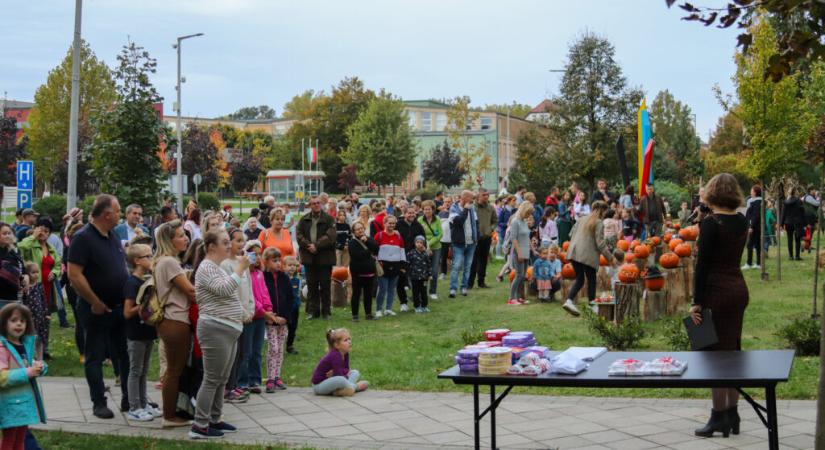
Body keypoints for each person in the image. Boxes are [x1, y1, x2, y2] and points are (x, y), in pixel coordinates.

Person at [688, 173, 749, 439]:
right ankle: (733, 413)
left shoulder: (712, 224)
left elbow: (702, 267)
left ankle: (718, 416)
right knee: (733, 350)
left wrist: (697, 302)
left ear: (712, 193)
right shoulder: (742, 221)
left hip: (715, 291)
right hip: (737, 288)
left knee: (714, 355)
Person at [67, 195, 130, 419]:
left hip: (118, 306)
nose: (120, 215)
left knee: (123, 354)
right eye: (119, 211)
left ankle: (128, 397)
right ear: (106, 214)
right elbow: (74, 274)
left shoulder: (112, 236)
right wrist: (94, 301)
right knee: (94, 355)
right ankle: (98, 402)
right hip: (95, 308)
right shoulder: (83, 238)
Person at [189, 229, 249, 440]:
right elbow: (223, 290)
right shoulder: (206, 268)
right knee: (212, 378)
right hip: (215, 328)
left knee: (222, 379)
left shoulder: (217, 267)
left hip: (228, 329)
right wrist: (240, 269)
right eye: (224, 242)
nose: (229, 246)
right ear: (212, 246)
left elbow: (230, 294)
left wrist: (241, 312)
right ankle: (200, 425)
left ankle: (215, 419)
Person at [152, 220, 196, 427]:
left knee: (173, 369)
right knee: (174, 370)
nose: (185, 238)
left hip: (171, 320)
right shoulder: (168, 262)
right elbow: (190, 291)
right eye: (180, 235)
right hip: (176, 319)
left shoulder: (164, 261)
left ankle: (172, 412)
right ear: (169, 241)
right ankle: (169, 416)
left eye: (185, 234)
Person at [121, 244, 161, 422]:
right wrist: (144, 305)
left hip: (148, 332)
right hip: (136, 333)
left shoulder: (146, 280)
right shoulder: (132, 283)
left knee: (144, 371)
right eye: (147, 256)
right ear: (137, 261)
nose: (151, 259)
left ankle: (144, 404)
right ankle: (134, 407)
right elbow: (127, 312)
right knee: (135, 370)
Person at [0, 303, 47, 450]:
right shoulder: (2, 348)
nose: (19, 324)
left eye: (23, 320)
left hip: (23, 403)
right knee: (9, 440)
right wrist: (28, 372)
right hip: (9, 404)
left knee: (21, 440)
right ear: (3, 323)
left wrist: (40, 367)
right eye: (13, 320)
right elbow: (2, 377)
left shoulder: (23, 344)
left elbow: (26, 364)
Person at [564, 201, 617, 316]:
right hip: (587, 255)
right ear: (602, 211)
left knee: (580, 279)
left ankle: (569, 301)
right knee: (591, 280)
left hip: (574, 252)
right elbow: (600, 244)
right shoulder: (598, 223)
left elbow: (570, 234)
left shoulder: (581, 219)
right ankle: (592, 305)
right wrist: (610, 258)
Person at [220, 228, 254, 405]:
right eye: (238, 240)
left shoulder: (243, 262)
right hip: (233, 315)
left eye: (243, 241)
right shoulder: (225, 264)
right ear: (229, 242)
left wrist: (250, 309)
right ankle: (228, 387)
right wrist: (241, 312)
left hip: (246, 316)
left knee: (243, 352)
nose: (242, 244)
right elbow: (230, 292)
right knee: (232, 354)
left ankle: (236, 384)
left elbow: (248, 288)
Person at [239, 240, 273, 394]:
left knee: (257, 350)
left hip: (261, 317)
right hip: (250, 316)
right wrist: (263, 311)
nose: (258, 257)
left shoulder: (259, 274)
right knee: (246, 351)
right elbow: (250, 296)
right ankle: (243, 381)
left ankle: (255, 380)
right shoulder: (245, 274)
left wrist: (269, 309)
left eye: (260, 254)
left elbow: (264, 293)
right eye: (254, 254)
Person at [17, 217, 62, 335]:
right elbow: (20, 248)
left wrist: (55, 272)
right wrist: (33, 237)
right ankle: (31, 346)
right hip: (34, 287)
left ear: (50, 234)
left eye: (46, 231)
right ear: (36, 230)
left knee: (45, 317)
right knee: (33, 318)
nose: (43, 233)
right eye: (41, 230)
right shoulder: (30, 243)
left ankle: (44, 348)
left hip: (48, 287)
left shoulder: (50, 248)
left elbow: (58, 264)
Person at [296, 196, 337, 320]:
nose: (316, 205)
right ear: (309, 205)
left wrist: (317, 245)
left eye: (318, 203)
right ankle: (313, 312)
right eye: (313, 203)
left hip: (324, 257)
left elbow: (330, 236)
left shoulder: (329, 219)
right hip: (309, 257)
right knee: (311, 285)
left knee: (325, 285)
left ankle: (326, 312)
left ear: (322, 204)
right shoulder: (303, 220)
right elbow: (299, 236)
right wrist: (309, 245)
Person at [261, 248, 291, 393]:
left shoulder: (284, 278)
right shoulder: (263, 277)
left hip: (282, 321)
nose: (278, 263)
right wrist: (271, 317)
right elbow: (263, 297)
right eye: (274, 261)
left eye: (279, 260)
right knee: (273, 348)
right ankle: (270, 378)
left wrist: (285, 317)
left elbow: (290, 298)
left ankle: (277, 376)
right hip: (271, 320)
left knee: (280, 349)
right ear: (266, 261)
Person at [310, 328, 368, 396]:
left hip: (333, 380)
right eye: (345, 340)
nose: (349, 341)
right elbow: (339, 375)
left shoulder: (345, 353)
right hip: (319, 386)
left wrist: (338, 373)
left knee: (355, 372)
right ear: (337, 345)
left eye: (349, 339)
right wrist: (341, 373)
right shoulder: (335, 355)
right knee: (340, 379)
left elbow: (346, 369)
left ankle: (342, 391)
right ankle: (355, 387)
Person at [449, 191, 478, 298]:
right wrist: (466, 209)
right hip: (459, 243)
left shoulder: (472, 208)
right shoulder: (453, 209)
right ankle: (453, 289)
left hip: (471, 242)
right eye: (471, 198)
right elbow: (459, 222)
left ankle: (464, 287)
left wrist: (476, 238)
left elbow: (475, 223)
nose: (472, 200)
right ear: (464, 198)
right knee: (456, 266)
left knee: (467, 267)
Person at [374, 215, 404, 318]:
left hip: (395, 266)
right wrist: (376, 263)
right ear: (385, 223)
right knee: (382, 289)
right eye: (389, 223)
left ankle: (388, 309)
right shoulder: (379, 235)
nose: (391, 225)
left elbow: (402, 251)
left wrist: (402, 265)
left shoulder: (399, 236)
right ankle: (378, 309)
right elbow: (374, 251)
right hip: (383, 267)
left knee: (392, 289)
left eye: (393, 223)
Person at [395, 208, 425, 311]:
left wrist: (424, 248)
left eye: (413, 213)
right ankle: (403, 302)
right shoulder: (398, 225)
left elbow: (423, 238)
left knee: (416, 279)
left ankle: (418, 301)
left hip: (415, 256)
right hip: (401, 255)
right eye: (409, 213)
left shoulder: (418, 225)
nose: (411, 215)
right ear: (404, 214)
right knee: (401, 279)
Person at [348, 222, 378, 321]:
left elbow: (376, 249)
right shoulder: (352, 243)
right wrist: (370, 251)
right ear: (354, 232)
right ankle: (355, 315)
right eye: (357, 229)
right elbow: (359, 256)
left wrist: (368, 242)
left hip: (370, 272)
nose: (360, 230)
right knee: (356, 294)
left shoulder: (369, 239)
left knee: (368, 294)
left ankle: (368, 314)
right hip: (358, 273)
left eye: (361, 228)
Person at [468, 189, 497, 290]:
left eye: (487, 195)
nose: (486, 197)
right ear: (478, 196)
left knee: (484, 260)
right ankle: (469, 283)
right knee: (473, 261)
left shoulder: (491, 207)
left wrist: (491, 229)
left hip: (486, 238)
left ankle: (481, 282)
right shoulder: (472, 208)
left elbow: (495, 221)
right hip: (475, 238)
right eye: (484, 195)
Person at [21, 263, 48, 362]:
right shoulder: (25, 288)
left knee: (39, 338)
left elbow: (43, 300)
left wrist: (46, 314)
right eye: (33, 272)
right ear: (27, 274)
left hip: (39, 317)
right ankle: (30, 359)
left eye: (37, 272)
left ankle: (40, 360)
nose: (36, 275)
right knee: (30, 338)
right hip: (29, 317)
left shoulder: (39, 286)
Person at [507, 201, 533, 305]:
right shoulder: (515, 222)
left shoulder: (524, 221)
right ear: (523, 210)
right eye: (528, 213)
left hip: (526, 251)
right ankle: (511, 298)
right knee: (518, 275)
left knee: (523, 276)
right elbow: (513, 239)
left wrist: (533, 250)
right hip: (519, 252)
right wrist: (519, 253)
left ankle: (518, 297)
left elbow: (527, 237)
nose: (529, 215)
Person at [417, 201, 442, 300]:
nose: (427, 211)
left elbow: (440, 234)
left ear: (433, 209)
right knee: (423, 271)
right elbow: (419, 235)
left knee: (434, 271)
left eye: (429, 209)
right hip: (423, 248)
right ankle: (421, 291)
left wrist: (429, 244)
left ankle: (433, 291)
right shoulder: (419, 220)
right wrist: (425, 246)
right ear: (422, 210)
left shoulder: (437, 219)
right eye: (425, 209)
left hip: (436, 248)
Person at [0, 223, 25, 310]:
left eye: (9, 233)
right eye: (4, 233)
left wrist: (25, 276)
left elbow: (22, 267)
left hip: (14, 297)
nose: (7, 236)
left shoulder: (14, 251)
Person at [407, 236, 432, 313]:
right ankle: (417, 306)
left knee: (424, 292)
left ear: (423, 244)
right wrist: (408, 273)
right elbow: (407, 264)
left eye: (421, 243)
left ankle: (424, 306)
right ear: (415, 243)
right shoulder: (411, 253)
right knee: (415, 292)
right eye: (417, 242)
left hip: (424, 277)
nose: (419, 244)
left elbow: (429, 265)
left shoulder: (425, 254)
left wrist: (430, 275)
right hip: (414, 277)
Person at [283, 256, 302, 354]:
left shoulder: (297, 279)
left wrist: (298, 303)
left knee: (293, 327)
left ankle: (290, 345)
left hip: (295, 308)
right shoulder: (282, 279)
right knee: (283, 327)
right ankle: (281, 345)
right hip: (285, 308)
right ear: (284, 267)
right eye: (289, 265)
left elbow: (298, 293)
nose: (292, 268)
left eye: (294, 265)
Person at [780, 187, 805, 261]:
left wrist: (781, 224)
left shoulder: (786, 202)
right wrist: (805, 223)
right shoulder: (799, 201)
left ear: (789, 193)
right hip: (797, 222)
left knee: (789, 239)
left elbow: (783, 214)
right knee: (797, 239)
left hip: (788, 222)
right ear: (795, 193)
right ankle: (797, 256)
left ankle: (790, 256)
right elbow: (802, 212)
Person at [743, 185, 763, 270]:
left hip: (755, 227)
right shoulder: (754, 202)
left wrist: (751, 226)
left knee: (750, 245)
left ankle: (749, 263)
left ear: (755, 192)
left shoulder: (757, 202)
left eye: (751, 191)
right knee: (757, 245)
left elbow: (755, 216)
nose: (750, 192)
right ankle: (758, 263)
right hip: (756, 226)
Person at [438, 196, 453, 280]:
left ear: (452, 203)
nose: (447, 203)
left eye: (449, 202)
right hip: (443, 239)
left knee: (455, 257)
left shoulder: (454, 212)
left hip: (453, 238)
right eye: (445, 202)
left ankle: (455, 273)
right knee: (443, 257)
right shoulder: (440, 213)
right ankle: (443, 273)